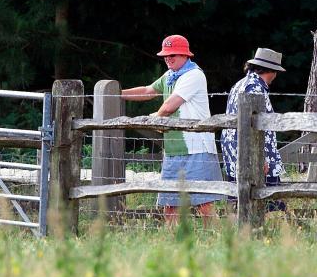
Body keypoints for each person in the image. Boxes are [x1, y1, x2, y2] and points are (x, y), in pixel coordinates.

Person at [121, 34, 223, 226]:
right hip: (173, 149)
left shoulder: (193, 75)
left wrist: (155, 119)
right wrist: (114, 93)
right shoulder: (170, 76)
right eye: (166, 55)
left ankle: (214, 239)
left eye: (173, 55)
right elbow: (147, 91)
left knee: (204, 204)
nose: (168, 58)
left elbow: (170, 105)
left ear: (185, 55)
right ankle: (172, 244)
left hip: (196, 147)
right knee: (170, 204)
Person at [220, 48, 286, 212]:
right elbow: (254, 127)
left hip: (234, 151)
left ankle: (239, 233)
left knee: (238, 199)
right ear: (271, 71)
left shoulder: (240, 84)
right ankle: (269, 233)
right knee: (268, 199)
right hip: (252, 154)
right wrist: (260, 157)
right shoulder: (255, 88)